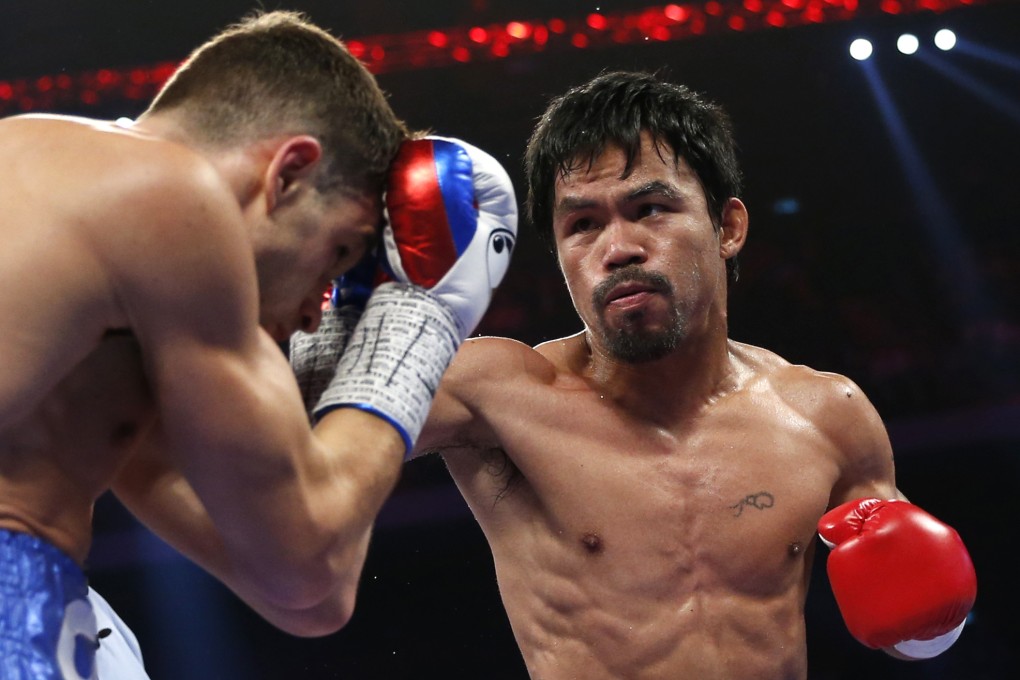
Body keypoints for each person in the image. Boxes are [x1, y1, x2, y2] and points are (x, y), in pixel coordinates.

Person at [407, 70, 977, 679]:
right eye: (583, 225)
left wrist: (933, 622)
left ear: (727, 228)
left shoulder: (826, 412)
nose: (618, 247)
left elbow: (917, 634)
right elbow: (307, 437)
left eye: (649, 208)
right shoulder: (496, 392)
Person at [0, 8, 516, 679]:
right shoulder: (168, 194)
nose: (314, 315)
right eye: (338, 253)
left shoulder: (55, 206)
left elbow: (305, 594)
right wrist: (420, 321)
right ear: (289, 173)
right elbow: (312, 550)